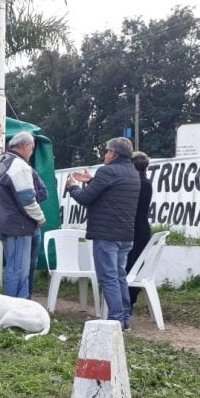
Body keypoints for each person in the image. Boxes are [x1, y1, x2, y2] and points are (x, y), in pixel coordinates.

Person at [66, 136, 140, 330]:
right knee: (119, 276)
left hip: (106, 235)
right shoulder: (132, 173)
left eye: (107, 151)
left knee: (108, 278)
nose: (105, 154)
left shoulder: (107, 171)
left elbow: (85, 198)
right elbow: (110, 193)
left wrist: (72, 186)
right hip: (125, 234)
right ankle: (124, 318)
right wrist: (92, 180)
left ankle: (115, 319)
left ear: (113, 153)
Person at [0, 122, 46, 298]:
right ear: (26, 146)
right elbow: (27, 199)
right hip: (18, 226)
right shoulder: (20, 167)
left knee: (12, 265)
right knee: (19, 270)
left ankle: (15, 305)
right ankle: (16, 308)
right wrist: (40, 218)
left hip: (2, 222)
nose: (31, 153)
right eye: (32, 149)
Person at [127, 151, 153, 311]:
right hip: (141, 229)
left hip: (135, 230)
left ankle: (128, 303)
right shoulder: (145, 182)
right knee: (133, 267)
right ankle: (129, 301)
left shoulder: (138, 184)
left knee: (130, 268)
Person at [28, 171, 49, 298]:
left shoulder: (32, 172)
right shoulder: (9, 171)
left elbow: (44, 193)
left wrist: (29, 197)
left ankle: (28, 296)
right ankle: (19, 298)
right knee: (20, 266)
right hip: (20, 226)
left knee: (32, 265)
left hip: (35, 225)